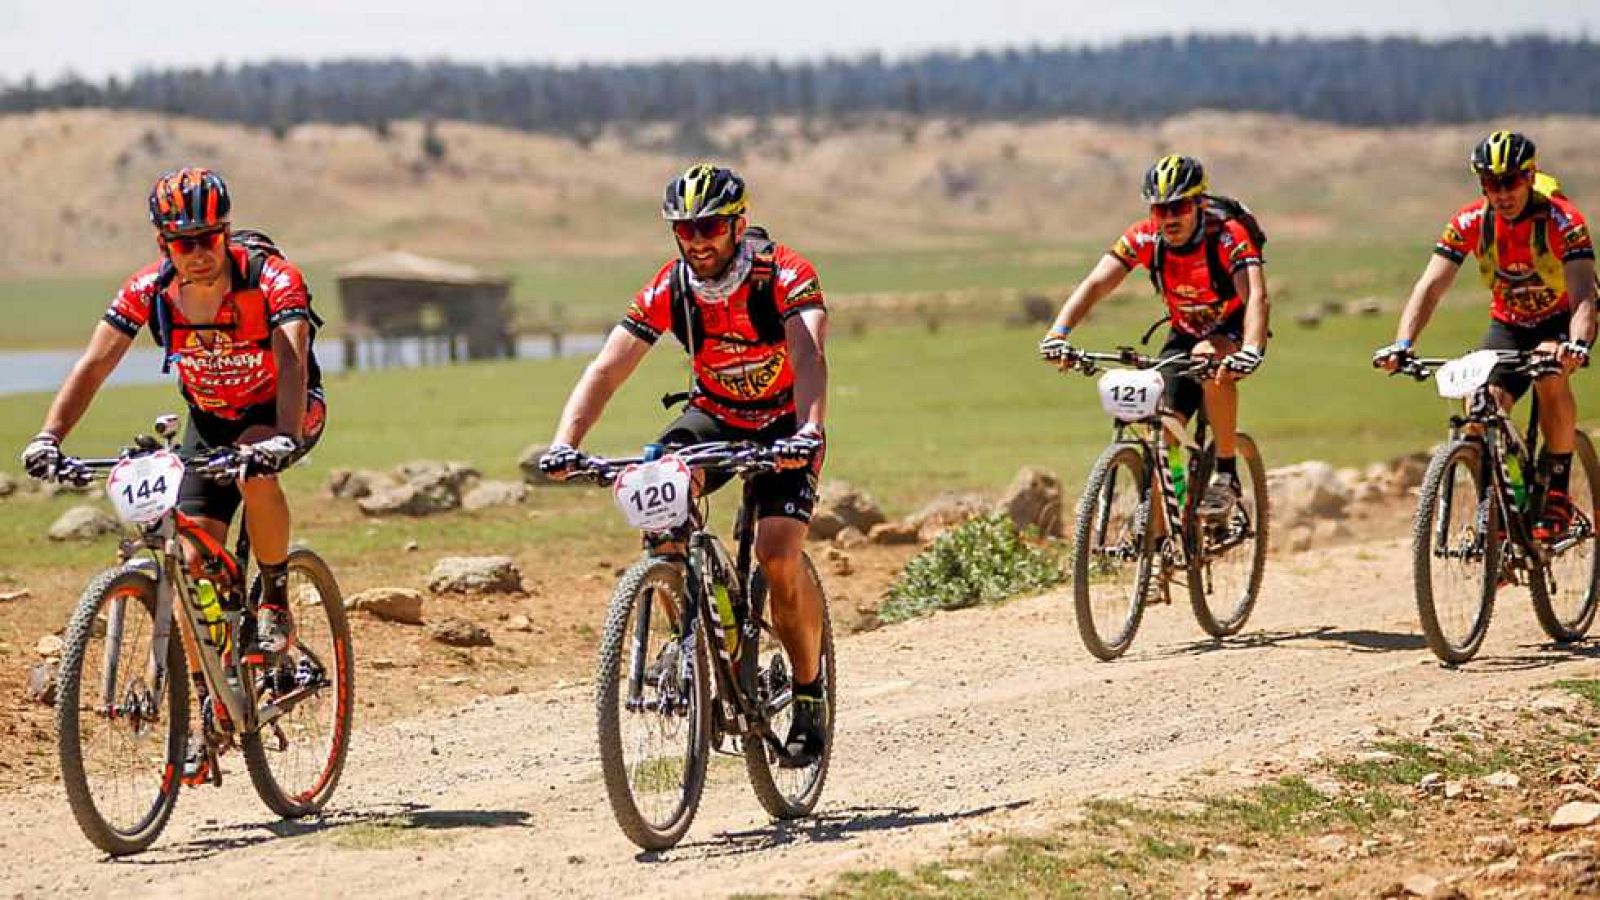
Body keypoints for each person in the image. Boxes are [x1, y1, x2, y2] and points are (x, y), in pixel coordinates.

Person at [538, 163, 830, 766]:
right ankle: (688, 632)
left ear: (737, 224)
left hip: (782, 423)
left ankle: (808, 696)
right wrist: (565, 441)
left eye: (709, 226)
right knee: (658, 501)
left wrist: (808, 430)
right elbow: (607, 368)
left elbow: (809, 352)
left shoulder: (782, 273)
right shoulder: (670, 287)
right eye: (683, 228)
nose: (696, 239)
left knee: (778, 555)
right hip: (714, 416)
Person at [20, 167, 325, 661]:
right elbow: (95, 365)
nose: (199, 254)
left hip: (283, 409)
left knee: (254, 468)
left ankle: (274, 601)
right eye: (185, 244)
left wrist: (284, 437)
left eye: (209, 239)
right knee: (189, 559)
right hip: (208, 419)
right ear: (164, 245)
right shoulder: (148, 289)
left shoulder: (269, 277)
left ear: (225, 233)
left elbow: (292, 357)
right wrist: (48, 436)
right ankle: (212, 702)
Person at [1374, 131, 1597, 540]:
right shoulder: (1471, 221)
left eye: (1510, 181)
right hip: (1510, 322)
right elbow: (1431, 286)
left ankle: (1558, 494)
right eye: (1491, 184)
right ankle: (1496, 512)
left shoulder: (1563, 221)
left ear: (1530, 177)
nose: (1502, 193)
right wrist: (1403, 344)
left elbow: (1584, 294)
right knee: (1480, 403)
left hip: (1561, 320)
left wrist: (1575, 345)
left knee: (1550, 374)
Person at [1039, 154, 1271, 515]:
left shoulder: (1227, 236)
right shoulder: (1145, 236)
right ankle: (1160, 545)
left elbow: (1255, 295)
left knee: (1209, 360)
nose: (1169, 218)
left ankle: (1226, 473)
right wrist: (1058, 334)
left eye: (1177, 207)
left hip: (1232, 327)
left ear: (1197, 203)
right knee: (1163, 431)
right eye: (1159, 209)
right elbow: (1097, 283)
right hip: (1184, 331)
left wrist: (1252, 347)